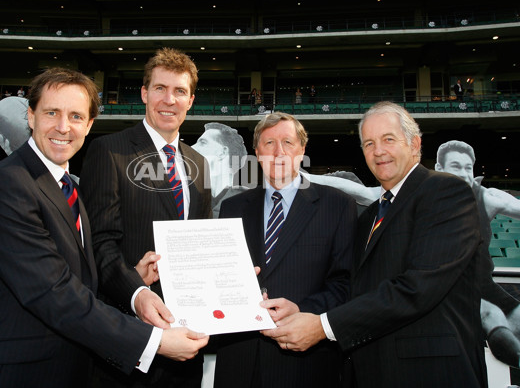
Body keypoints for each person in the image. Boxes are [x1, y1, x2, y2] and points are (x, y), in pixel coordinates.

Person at [0, 68, 209, 388]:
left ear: (88, 125)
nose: (63, 127)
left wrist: (132, 279)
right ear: (30, 116)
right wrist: (153, 341)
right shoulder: (7, 185)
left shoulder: (65, 189)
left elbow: (77, 276)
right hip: (13, 373)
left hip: (63, 368)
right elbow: (52, 292)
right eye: (51, 113)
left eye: (75, 116)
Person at [261, 102, 488, 388]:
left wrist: (322, 326)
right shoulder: (369, 215)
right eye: (369, 143)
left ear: (415, 143)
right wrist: (304, 310)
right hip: (374, 371)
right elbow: (357, 290)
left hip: (430, 373)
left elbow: (418, 288)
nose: (378, 151)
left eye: (388, 139)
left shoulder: (445, 192)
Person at [80, 48, 213, 387]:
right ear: (144, 93)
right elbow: (100, 243)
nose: (169, 100)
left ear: (191, 100)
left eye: (179, 91)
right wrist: (136, 293)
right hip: (128, 332)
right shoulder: (109, 151)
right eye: (160, 89)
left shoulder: (200, 163)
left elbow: (203, 242)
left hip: (186, 335)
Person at [213, 112, 357, 388]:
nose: (278, 152)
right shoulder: (232, 208)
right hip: (239, 362)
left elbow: (344, 283)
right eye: (269, 143)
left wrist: (302, 309)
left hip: (304, 364)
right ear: (257, 152)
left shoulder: (337, 206)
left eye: (288, 142)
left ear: (302, 150)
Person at [435, 140, 520, 366]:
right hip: (448, 289)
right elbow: (365, 192)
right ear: (439, 169)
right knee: (491, 315)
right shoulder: (422, 198)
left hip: (484, 284)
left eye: (467, 168)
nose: (464, 173)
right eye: (456, 166)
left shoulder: (488, 197)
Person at [191, 122, 248, 218]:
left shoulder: (250, 200)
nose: (192, 147)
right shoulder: (186, 197)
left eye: (203, 143)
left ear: (222, 152)